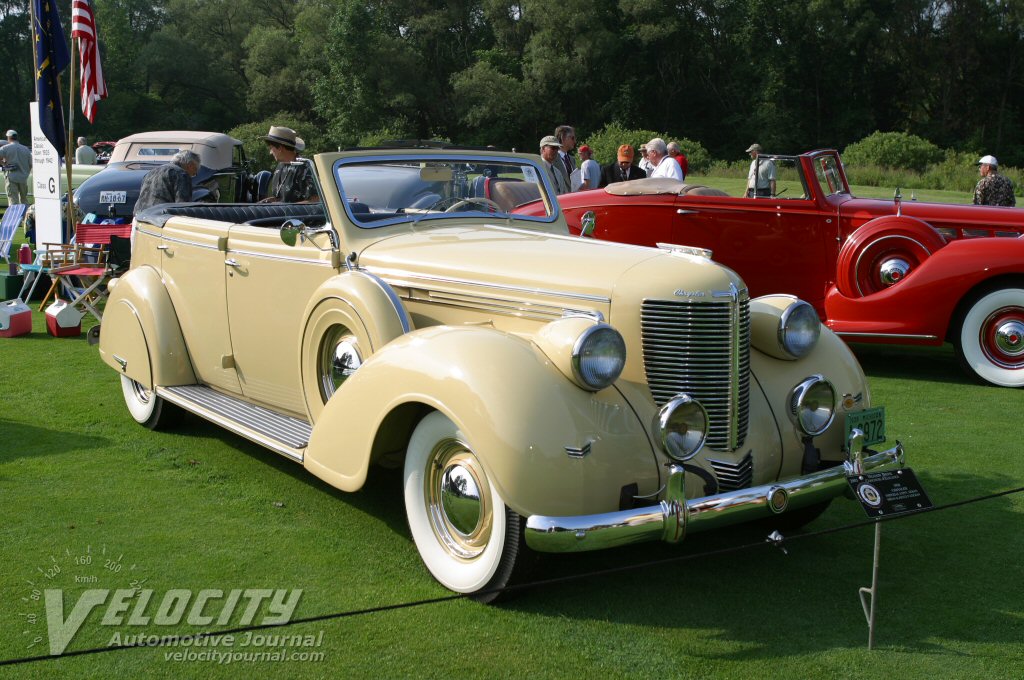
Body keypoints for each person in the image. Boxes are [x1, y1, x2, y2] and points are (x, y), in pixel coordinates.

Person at [261, 126, 318, 203]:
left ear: (280, 148)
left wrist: (288, 209)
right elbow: (280, 198)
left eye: (271, 148)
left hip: (299, 215)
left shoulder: (304, 168)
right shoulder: (280, 166)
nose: (270, 152)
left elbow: (315, 200)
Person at [134, 150, 199, 214]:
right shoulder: (182, 174)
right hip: (160, 218)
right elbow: (183, 206)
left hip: (141, 216)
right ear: (190, 165)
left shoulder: (151, 172)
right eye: (194, 172)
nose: (193, 175)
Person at [0, 129, 32, 205]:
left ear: (9, 138)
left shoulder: (5, 148)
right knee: (24, 200)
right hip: (23, 178)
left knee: (13, 201)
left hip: (11, 177)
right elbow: (30, 164)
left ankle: (15, 216)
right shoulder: (26, 149)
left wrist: (4, 164)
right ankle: (25, 216)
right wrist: (26, 173)